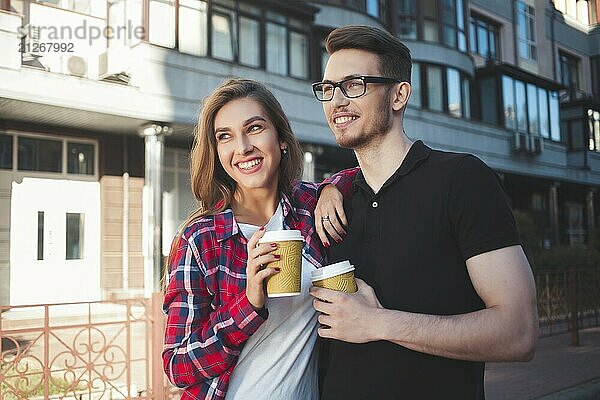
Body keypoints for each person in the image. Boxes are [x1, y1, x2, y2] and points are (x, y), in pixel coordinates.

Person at [309, 25, 539, 399]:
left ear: (399, 95)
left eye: (354, 85)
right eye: (328, 88)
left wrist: (379, 322)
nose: (336, 101)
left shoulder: (462, 179)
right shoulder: (334, 201)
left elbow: (519, 331)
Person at [162, 78, 349, 400]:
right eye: (225, 137)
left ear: (282, 139)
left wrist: (335, 186)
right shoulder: (201, 239)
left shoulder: (308, 209)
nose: (243, 146)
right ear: (218, 152)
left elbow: (365, 176)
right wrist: (248, 303)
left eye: (255, 128)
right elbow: (178, 366)